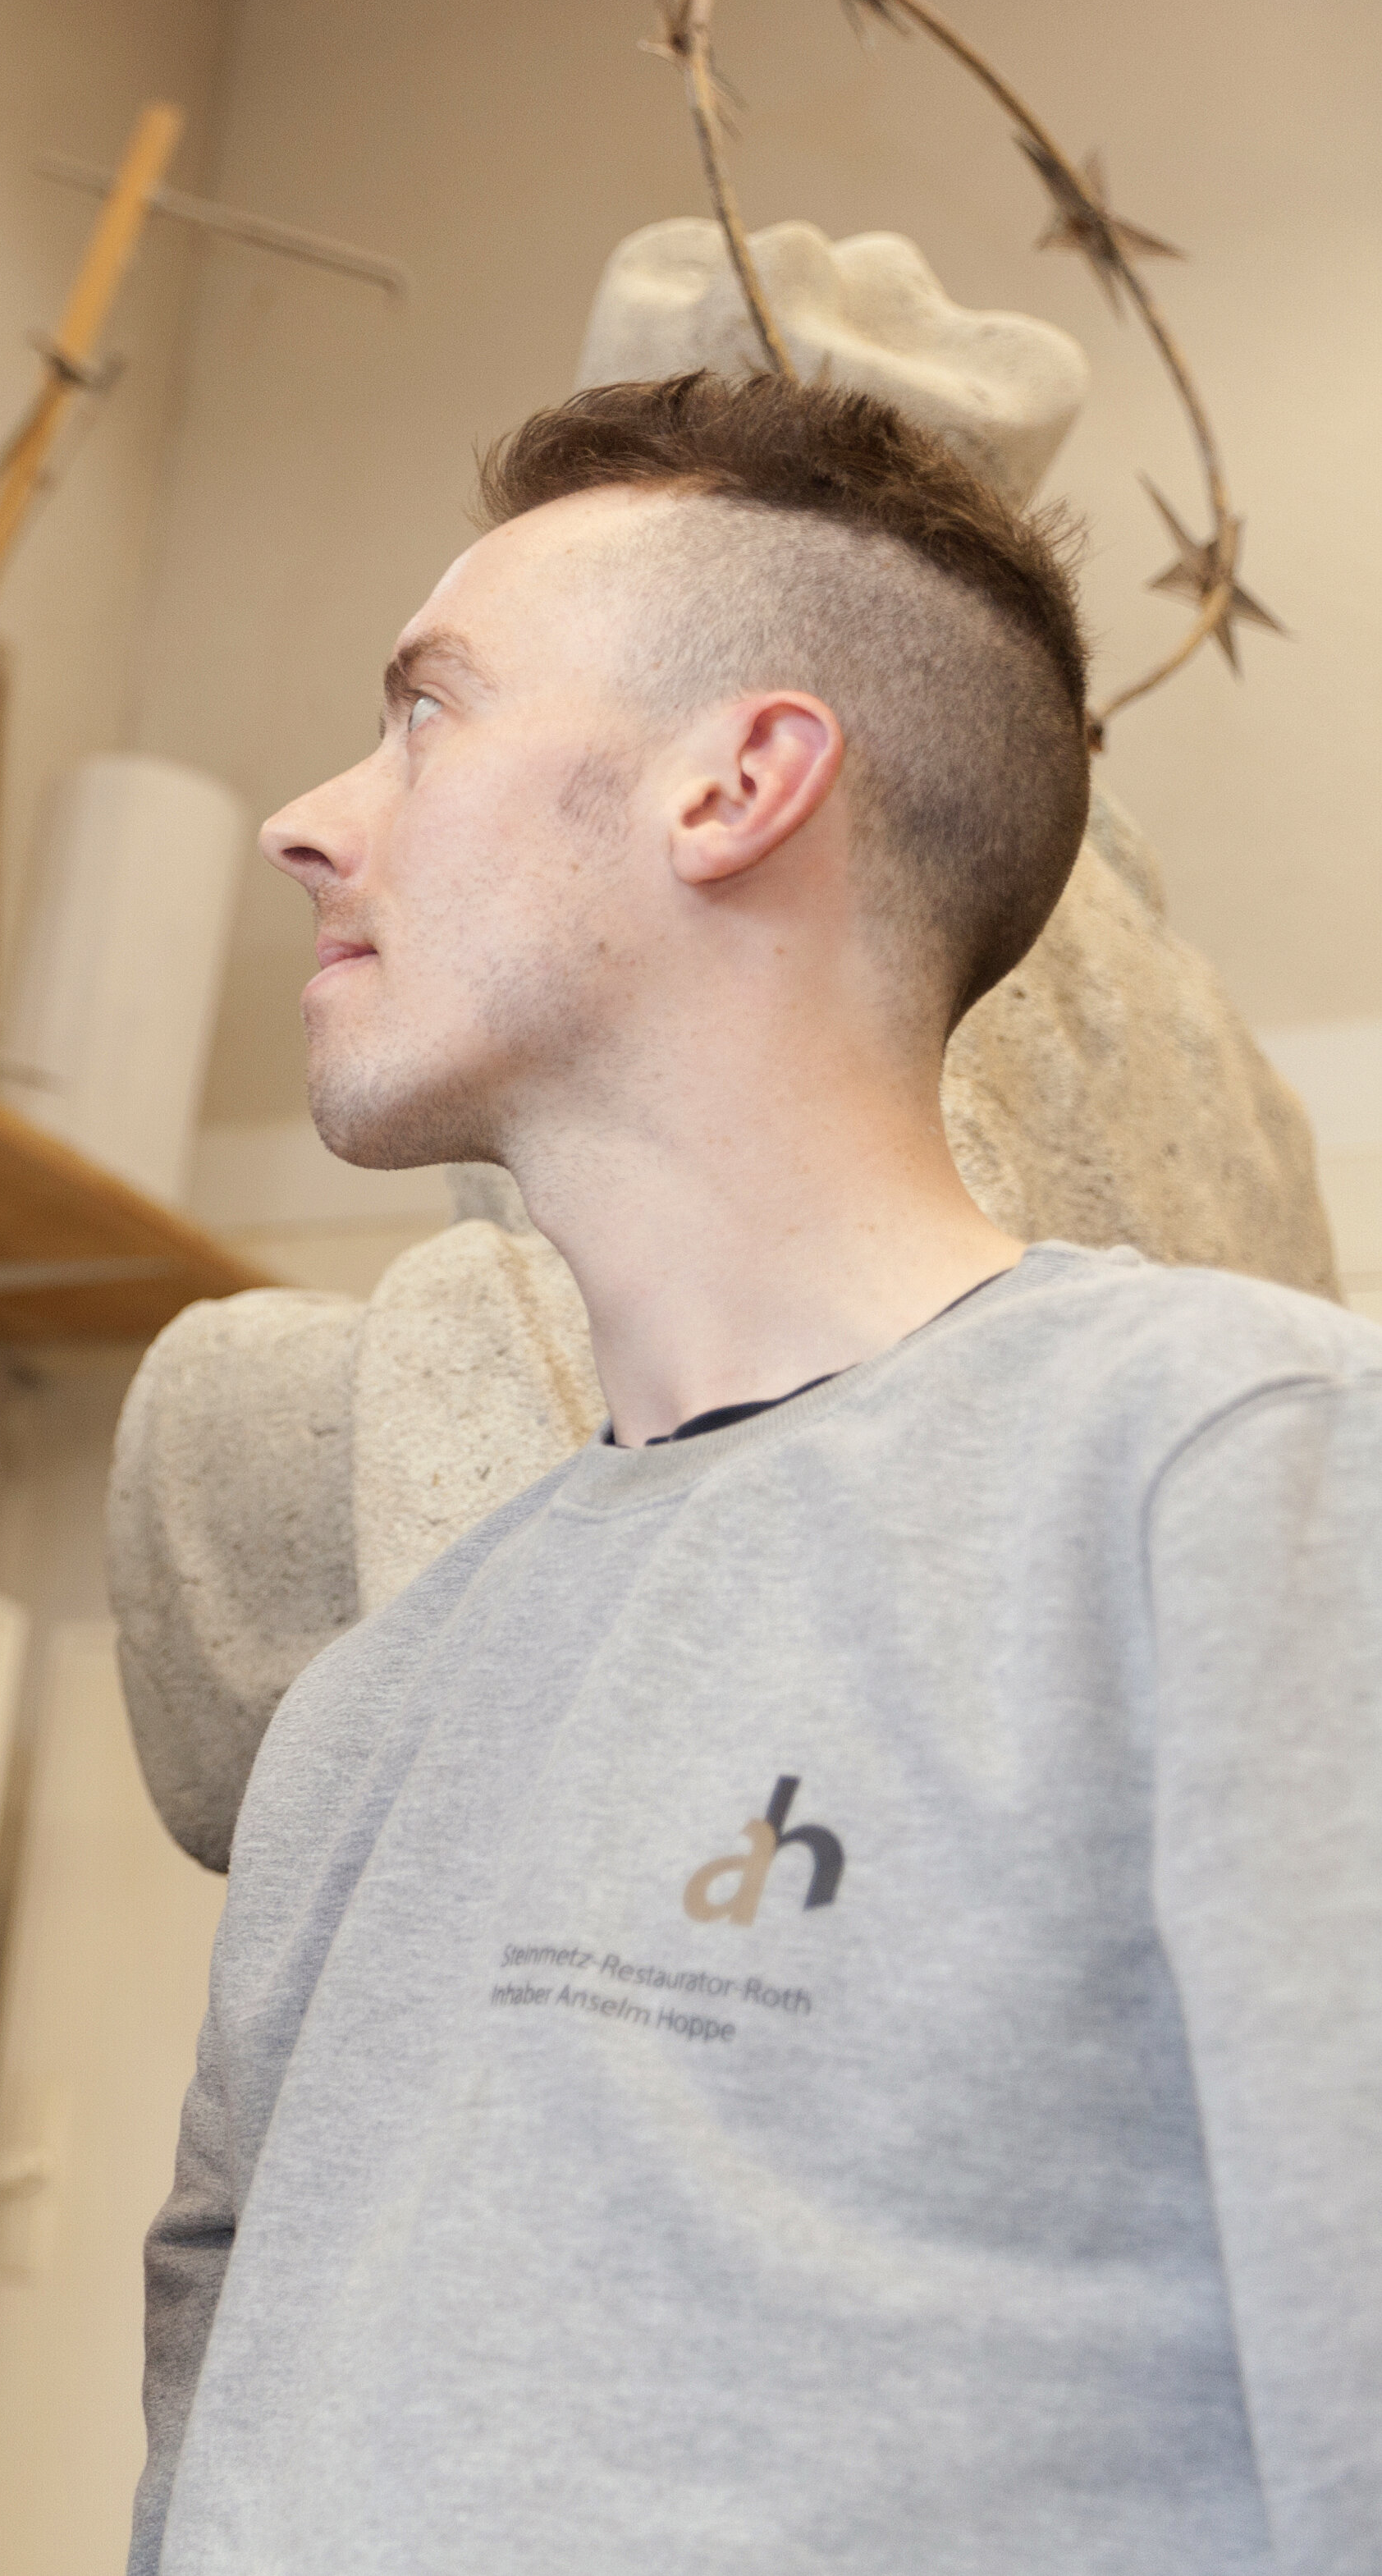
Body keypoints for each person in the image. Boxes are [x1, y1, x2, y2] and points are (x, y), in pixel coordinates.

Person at [133, 373, 1381, 2571]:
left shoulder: (1236, 1479)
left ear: (735, 784)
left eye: (426, 712)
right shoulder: (368, 1716)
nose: (310, 822)